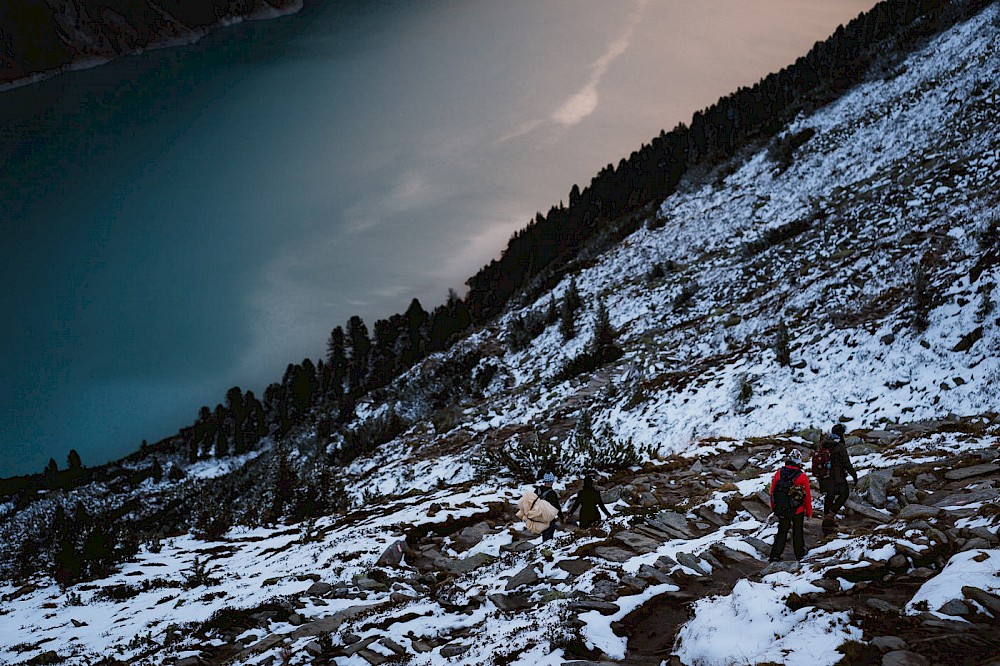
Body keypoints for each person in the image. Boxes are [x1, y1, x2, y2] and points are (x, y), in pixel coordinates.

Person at [768, 448, 813, 562]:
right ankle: (799, 554)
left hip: (782, 508)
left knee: (782, 531)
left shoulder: (779, 473)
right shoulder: (802, 476)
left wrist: (774, 507)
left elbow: (772, 491)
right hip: (797, 510)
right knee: (798, 531)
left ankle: (775, 555)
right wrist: (809, 512)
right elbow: (807, 496)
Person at [821, 423, 858, 529]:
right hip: (838, 477)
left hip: (825, 476)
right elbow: (846, 463)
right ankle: (829, 517)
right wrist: (854, 475)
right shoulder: (839, 446)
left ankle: (827, 521)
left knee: (829, 496)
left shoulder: (825, 443)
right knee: (844, 494)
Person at [535, 471, 564, 541]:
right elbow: (557, 507)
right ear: (551, 481)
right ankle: (546, 549)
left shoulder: (537, 491)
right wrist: (562, 517)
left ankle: (543, 548)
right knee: (549, 537)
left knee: (544, 535)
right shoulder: (552, 493)